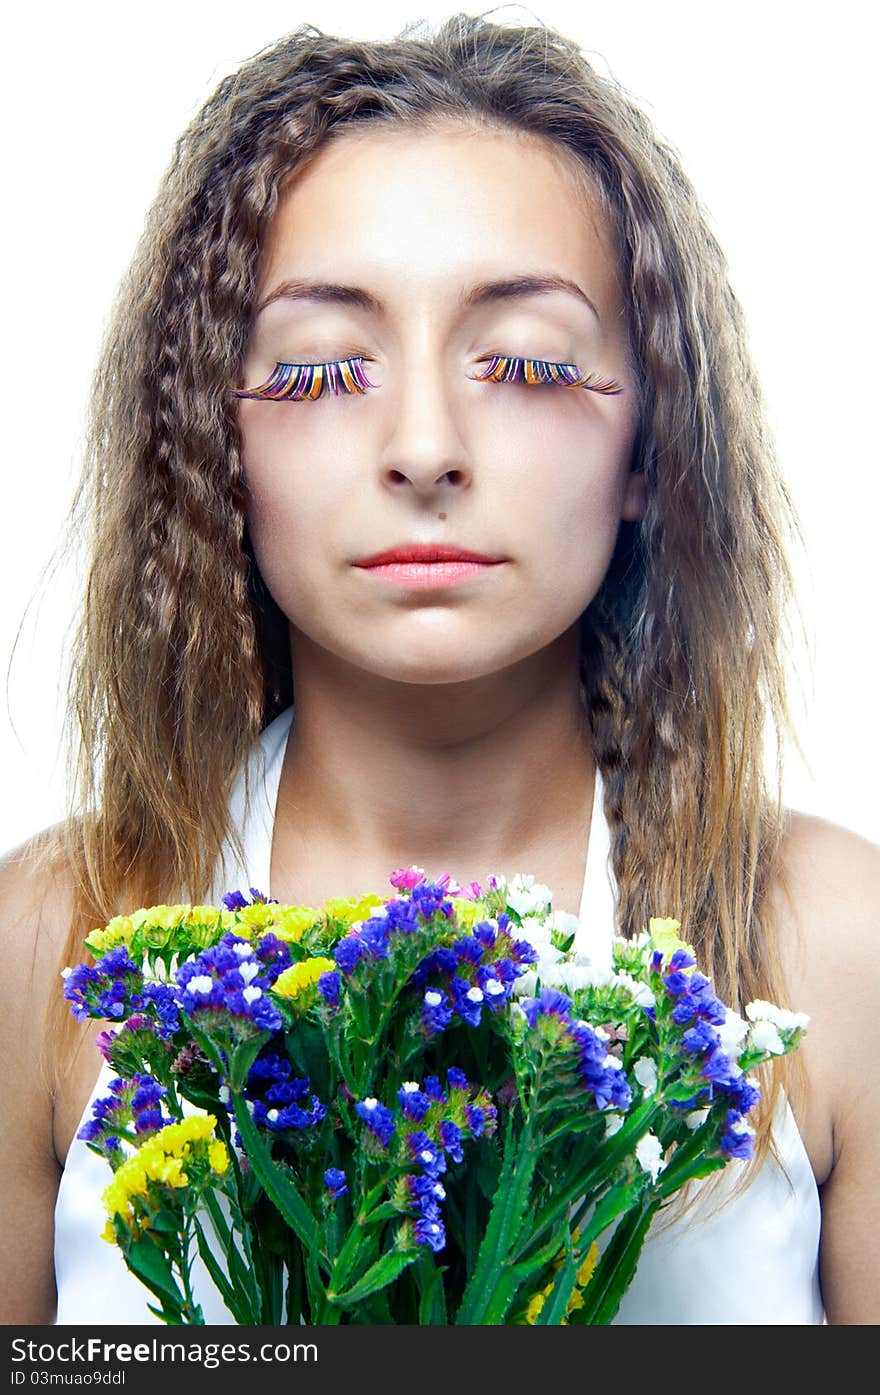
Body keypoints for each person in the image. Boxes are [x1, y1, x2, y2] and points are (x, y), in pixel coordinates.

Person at [1, 11, 877, 1326]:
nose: (424, 444)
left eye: (524, 362)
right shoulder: (52, 942)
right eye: (316, 369)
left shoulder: (831, 941)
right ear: (211, 449)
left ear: (650, 448)